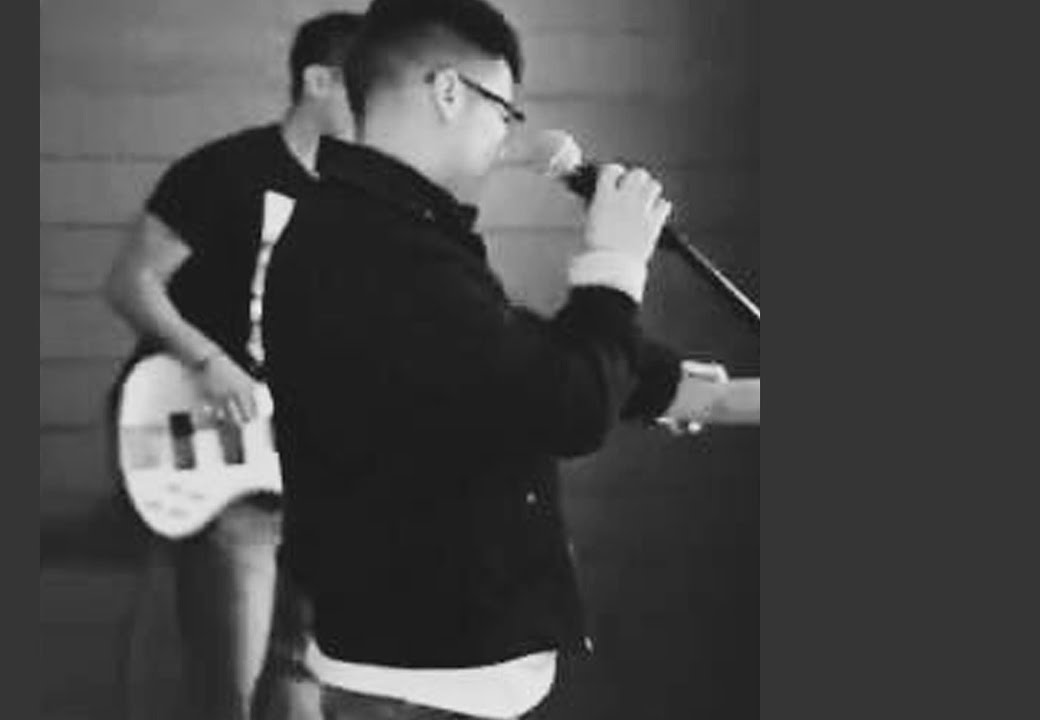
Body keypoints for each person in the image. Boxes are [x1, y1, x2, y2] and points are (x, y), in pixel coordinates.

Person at [261, 1, 720, 718]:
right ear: (449, 91)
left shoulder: (370, 229)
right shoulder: (387, 250)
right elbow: (566, 407)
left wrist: (665, 379)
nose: (505, 135)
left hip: (415, 673)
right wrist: (614, 264)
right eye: (502, 111)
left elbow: (500, 358)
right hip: (426, 682)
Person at [102, 11, 363, 720]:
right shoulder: (224, 171)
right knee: (231, 691)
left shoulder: (359, 201)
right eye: (364, 86)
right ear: (319, 81)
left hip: (309, 470)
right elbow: (130, 282)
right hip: (210, 446)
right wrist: (211, 361)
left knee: (302, 676)